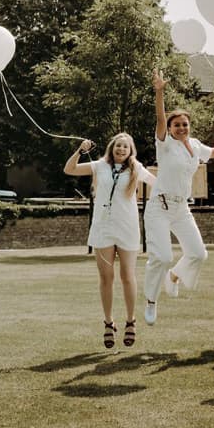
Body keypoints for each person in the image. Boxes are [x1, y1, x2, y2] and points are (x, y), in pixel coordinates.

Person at [143, 69, 214, 326]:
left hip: (181, 208)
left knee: (199, 254)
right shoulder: (165, 144)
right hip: (159, 206)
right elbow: (159, 118)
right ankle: (151, 301)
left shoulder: (196, 145)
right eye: (177, 125)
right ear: (170, 128)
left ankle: (173, 277)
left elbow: (213, 152)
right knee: (163, 256)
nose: (181, 128)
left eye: (185, 124)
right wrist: (159, 92)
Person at [64, 134, 156, 347]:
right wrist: (80, 150)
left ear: (130, 150)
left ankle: (131, 321)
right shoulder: (100, 166)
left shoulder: (136, 168)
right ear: (112, 148)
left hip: (127, 227)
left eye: (125, 146)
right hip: (103, 228)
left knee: (127, 276)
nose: (121, 149)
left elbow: (157, 184)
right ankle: (108, 322)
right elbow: (70, 169)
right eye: (118, 146)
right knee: (106, 277)